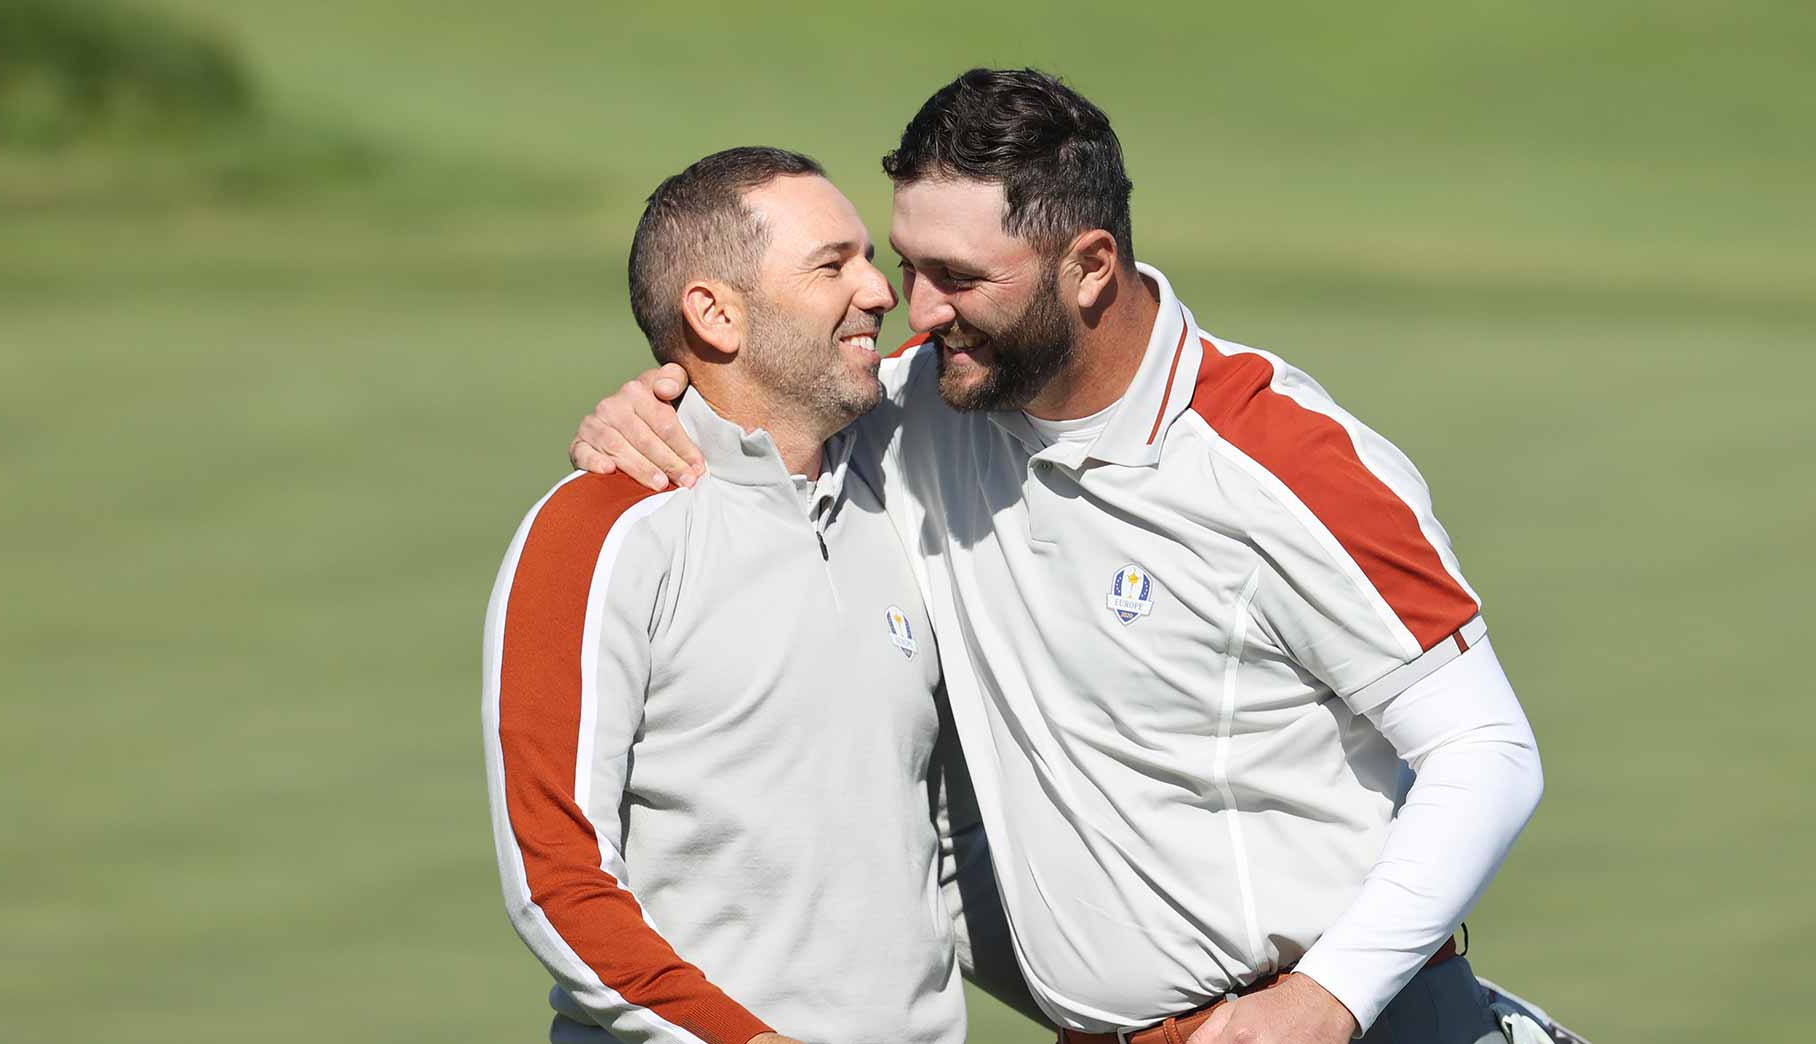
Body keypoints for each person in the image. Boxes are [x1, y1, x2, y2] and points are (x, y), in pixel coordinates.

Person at [568, 70, 1557, 1044]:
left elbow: (1483, 751)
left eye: (956, 277)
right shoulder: (914, 408)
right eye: (905, 264)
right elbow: (757, 420)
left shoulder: (1286, 463)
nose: (914, 311)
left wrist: (1327, 998)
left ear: (1088, 267)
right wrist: (651, 410)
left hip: (1342, 1024)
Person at [482, 146, 1036, 1044]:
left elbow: (937, 855)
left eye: (868, 256)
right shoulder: (599, 530)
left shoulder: (895, 493)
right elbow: (558, 879)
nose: (881, 291)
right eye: (833, 264)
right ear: (715, 313)